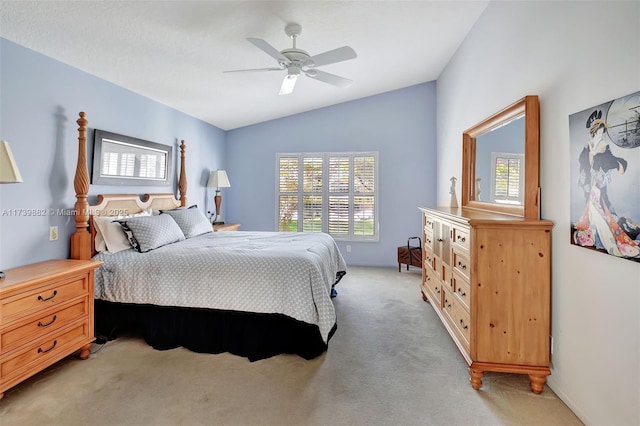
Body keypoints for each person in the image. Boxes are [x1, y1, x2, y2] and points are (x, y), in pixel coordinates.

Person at [574, 110, 639, 258]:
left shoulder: (603, 145)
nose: (601, 133)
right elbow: (583, 161)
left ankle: (605, 240)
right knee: (592, 211)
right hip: (590, 183)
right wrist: (588, 161)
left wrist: (618, 163)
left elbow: (608, 158)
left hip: (598, 183)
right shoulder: (589, 145)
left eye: (603, 130)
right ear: (594, 131)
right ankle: (597, 238)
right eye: (599, 130)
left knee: (601, 211)